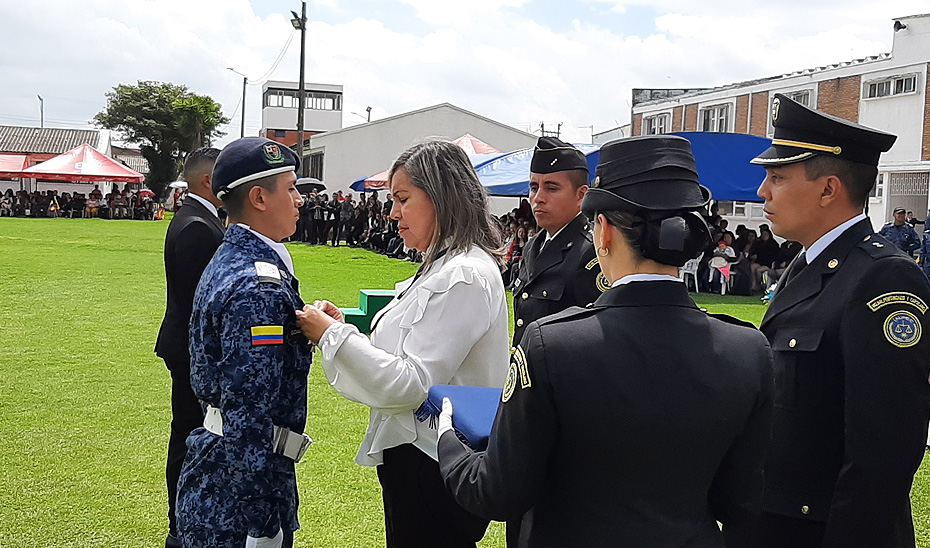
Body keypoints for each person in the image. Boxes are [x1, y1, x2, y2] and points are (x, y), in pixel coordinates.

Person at [437, 135, 775, 548]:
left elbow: (498, 492)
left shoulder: (551, 346)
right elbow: (738, 503)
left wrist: (447, 442)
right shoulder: (749, 350)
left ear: (603, 230)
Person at [295, 140, 509, 548]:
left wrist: (331, 336)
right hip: (424, 456)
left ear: (442, 197)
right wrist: (346, 331)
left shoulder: (462, 274)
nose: (392, 213)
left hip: (436, 461)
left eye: (403, 199)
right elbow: (405, 351)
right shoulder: (444, 264)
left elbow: (413, 383)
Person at [750, 93, 930, 548]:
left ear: (829, 188)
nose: (762, 192)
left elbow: (882, 455)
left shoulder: (883, 278)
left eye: (777, 177)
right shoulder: (808, 264)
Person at [176, 137, 313, 548]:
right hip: (238, 496)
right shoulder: (257, 285)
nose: (299, 200)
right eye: (290, 189)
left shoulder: (236, 258)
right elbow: (249, 406)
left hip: (222, 474)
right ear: (258, 198)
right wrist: (260, 520)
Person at [153, 147, 225, 548]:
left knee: (188, 433)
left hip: (184, 347)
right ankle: (180, 526)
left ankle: (183, 523)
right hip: (190, 351)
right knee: (189, 436)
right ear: (207, 182)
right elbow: (203, 304)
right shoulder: (199, 226)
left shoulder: (196, 218)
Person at [511, 136, 605, 349]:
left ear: (581, 195)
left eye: (551, 188)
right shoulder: (533, 246)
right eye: (534, 187)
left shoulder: (591, 252)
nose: (538, 198)